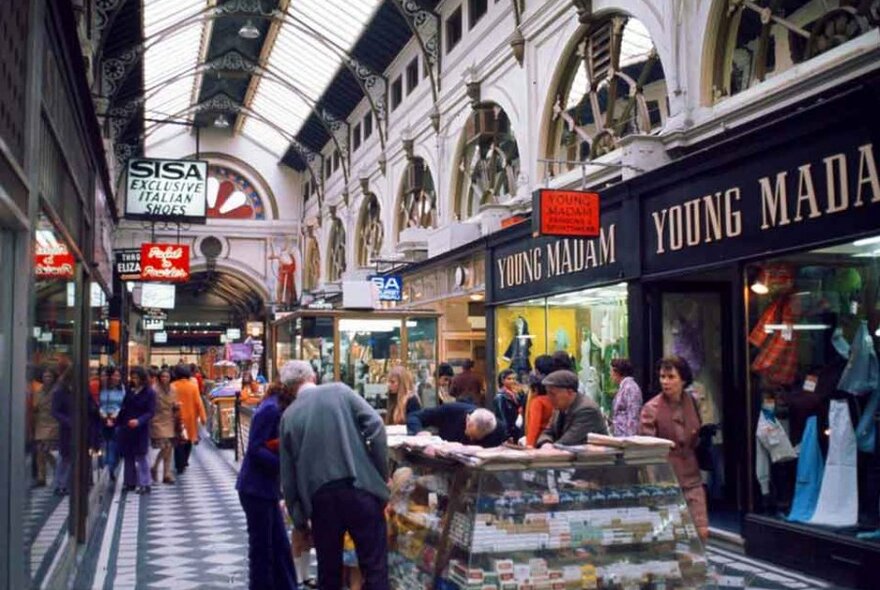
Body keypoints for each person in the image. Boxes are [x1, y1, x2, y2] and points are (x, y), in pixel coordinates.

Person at [280, 369, 389, 590]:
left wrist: (299, 519)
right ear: (312, 377)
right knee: (374, 566)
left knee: (328, 572)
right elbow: (376, 426)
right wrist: (380, 474)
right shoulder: (340, 391)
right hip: (360, 488)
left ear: (289, 388)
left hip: (321, 500)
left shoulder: (288, 416)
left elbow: (288, 477)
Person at [237, 378, 298, 590]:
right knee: (263, 547)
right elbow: (255, 448)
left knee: (279, 544)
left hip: (264, 488)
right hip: (256, 488)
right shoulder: (271, 409)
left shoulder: (275, 405)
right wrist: (284, 464)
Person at [640, 355, 709, 541]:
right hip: (665, 477)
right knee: (671, 534)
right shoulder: (651, 408)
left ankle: (698, 566)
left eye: (671, 377)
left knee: (701, 530)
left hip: (691, 475)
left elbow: (696, 434)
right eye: (662, 377)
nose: (665, 382)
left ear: (683, 379)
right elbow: (647, 449)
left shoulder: (692, 402)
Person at [537, 370, 608, 447]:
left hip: (596, 458)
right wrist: (546, 443)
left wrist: (550, 448)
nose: (549, 398)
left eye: (553, 394)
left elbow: (568, 441)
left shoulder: (587, 410)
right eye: (547, 393)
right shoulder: (560, 408)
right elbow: (548, 432)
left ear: (570, 392)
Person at [117, 366, 156, 494]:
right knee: (128, 456)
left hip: (140, 429)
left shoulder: (149, 393)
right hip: (127, 427)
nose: (134, 380)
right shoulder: (130, 390)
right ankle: (129, 482)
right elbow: (124, 407)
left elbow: (150, 412)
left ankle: (145, 483)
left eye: (136, 377)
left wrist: (139, 421)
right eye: (132, 377)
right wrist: (117, 421)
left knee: (141, 456)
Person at [407, 403, 506, 447]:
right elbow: (414, 417)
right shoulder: (451, 411)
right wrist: (419, 432)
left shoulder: (499, 429)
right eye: (470, 435)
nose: (471, 439)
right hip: (446, 466)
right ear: (467, 419)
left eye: (475, 438)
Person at [172, 364, 206, 475]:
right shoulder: (193, 386)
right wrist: (203, 417)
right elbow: (198, 403)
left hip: (177, 418)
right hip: (191, 418)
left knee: (178, 442)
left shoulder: (172, 386)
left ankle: (179, 464)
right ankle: (185, 460)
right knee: (188, 440)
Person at [32, 368, 59, 488]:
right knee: (40, 451)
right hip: (41, 423)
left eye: (49, 376)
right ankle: (41, 477)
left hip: (53, 423)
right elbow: (35, 407)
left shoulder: (56, 391)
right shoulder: (38, 392)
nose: (47, 379)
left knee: (45, 449)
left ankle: (56, 470)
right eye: (45, 376)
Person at [150, 368, 178, 484]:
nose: (164, 379)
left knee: (169, 447)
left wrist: (176, 406)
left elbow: (175, 403)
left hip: (170, 420)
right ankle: (156, 467)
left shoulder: (173, 389)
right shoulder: (154, 390)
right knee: (165, 446)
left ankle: (166, 473)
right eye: (162, 377)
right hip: (158, 420)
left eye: (167, 377)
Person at [99, 367, 126, 480]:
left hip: (117, 419)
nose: (115, 378)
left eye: (118, 376)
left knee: (114, 445)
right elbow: (98, 403)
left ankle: (111, 467)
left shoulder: (123, 389)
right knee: (104, 444)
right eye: (113, 375)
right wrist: (103, 414)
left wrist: (116, 415)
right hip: (102, 418)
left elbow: (124, 404)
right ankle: (104, 467)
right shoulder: (101, 389)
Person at [51, 367, 73, 496]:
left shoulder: (77, 390)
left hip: (77, 428)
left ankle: (64, 483)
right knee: (64, 457)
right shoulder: (60, 392)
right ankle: (59, 484)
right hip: (66, 429)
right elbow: (55, 411)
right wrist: (67, 421)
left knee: (70, 458)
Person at [525, 355, 555, 448]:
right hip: (553, 440)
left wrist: (529, 445)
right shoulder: (557, 395)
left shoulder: (538, 401)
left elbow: (534, 426)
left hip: (539, 442)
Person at [610, 359, 643, 437]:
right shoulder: (623, 387)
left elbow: (633, 415)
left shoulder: (630, 388)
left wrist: (630, 439)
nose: (610, 374)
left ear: (617, 372)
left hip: (626, 436)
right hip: (620, 435)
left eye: (611, 371)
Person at [494, 369, 526, 443]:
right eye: (509, 379)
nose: (512, 381)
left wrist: (521, 393)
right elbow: (502, 417)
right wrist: (507, 435)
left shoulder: (516, 394)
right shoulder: (500, 397)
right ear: (502, 381)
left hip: (517, 429)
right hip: (509, 431)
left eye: (514, 379)